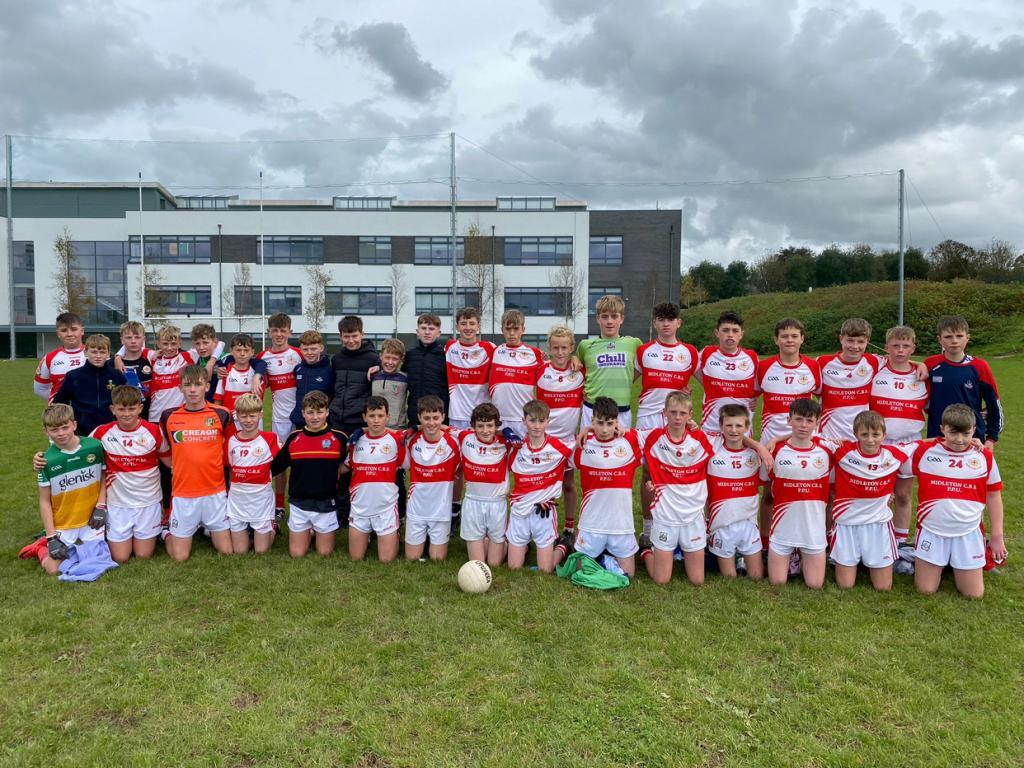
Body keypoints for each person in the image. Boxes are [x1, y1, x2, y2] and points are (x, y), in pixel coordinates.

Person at [907, 404, 1006, 598]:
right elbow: (886, 451)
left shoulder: (983, 456)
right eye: (953, 433)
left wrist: (997, 537)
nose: (959, 440)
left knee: (973, 594)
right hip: (931, 530)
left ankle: (957, 563)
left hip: (968, 532)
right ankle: (933, 560)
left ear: (974, 430)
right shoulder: (924, 451)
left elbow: (994, 496)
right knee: (925, 590)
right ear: (942, 429)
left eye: (966, 434)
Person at [636, 302, 698, 540]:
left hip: (676, 418)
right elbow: (625, 379)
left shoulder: (690, 352)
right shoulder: (644, 352)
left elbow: (710, 382)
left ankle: (677, 524)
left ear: (678, 323)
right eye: (661, 319)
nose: (665, 324)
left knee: (677, 470)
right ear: (655, 323)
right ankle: (648, 528)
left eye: (670, 319)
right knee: (648, 473)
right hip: (648, 418)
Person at [755, 318, 821, 545]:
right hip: (771, 442)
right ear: (776, 339)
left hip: (803, 440)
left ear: (802, 338)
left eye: (794, 336)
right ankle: (765, 543)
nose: (789, 340)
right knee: (769, 494)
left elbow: (825, 396)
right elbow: (749, 398)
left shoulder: (813, 367)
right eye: (784, 336)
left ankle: (806, 541)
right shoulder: (763, 367)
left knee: (804, 493)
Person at [158, 365, 232, 561]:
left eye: (198, 385)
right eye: (187, 385)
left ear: (207, 387)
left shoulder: (222, 414)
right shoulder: (168, 416)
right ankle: (166, 532)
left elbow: (231, 446)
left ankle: (207, 528)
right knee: (179, 557)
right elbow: (163, 449)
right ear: (180, 387)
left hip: (215, 491)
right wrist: (174, 466)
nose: (192, 390)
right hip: (183, 492)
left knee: (226, 551)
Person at [829, 410, 907, 591]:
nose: (870, 440)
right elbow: (807, 438)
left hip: (878, 525)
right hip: (847, 524)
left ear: (884, 435)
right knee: (845, 586)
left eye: (876, 434)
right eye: (864, 434)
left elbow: (923, 443)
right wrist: (769, 443)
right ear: (855, 434)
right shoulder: (842, 451)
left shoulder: (893, 454)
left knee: (883, 587)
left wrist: (971, 441)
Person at [763, 398, 833, 589]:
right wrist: (774, 440)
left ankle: (800, 557)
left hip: (813, 531)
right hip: (783, 529)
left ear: (817, 423)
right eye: (799, 419)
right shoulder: (774, 450)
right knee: (777, 582)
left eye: (809, 421)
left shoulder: (827, 449)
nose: (803, 425)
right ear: (789, 420)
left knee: (815, 585)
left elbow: (862, 449)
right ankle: (791, 556)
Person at [88, 386, 163, 563]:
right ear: (113, 410)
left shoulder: (153, 431)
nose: (127, 414)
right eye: (121, 409)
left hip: (148, 502)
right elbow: (77, 448)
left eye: (131, 409)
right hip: (118, 504)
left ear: (140, 408)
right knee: (120, 557)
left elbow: (170, 461)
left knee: (143, 555)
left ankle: (165, 530)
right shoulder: (101, 433)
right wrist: (45, 458)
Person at [870, 325, 929, 548]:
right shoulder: (876, 371)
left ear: (913, 347)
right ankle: (877, 539)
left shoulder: (922, 375)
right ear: (887, 347)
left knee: (903, 495)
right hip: (878, 443)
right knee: (877, 493)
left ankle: (901, 542)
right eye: (895, 346)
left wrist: (924, 364)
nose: (900, 350)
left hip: (909, 443)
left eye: (906, 346)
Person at [272, 391, 347, 558]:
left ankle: (316, 530)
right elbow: (275, 467)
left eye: (319, 412)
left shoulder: (339, 438)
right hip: (299, 503)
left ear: (327, 412)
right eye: (310, 412)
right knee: (297, 554)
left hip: (326, 503)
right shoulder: (294, 438)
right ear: (303, 413)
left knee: (324, 553)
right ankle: (309, 530)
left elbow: (348, 464)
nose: (315, 417)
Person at [574, 397, 642, 578]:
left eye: (610, 423)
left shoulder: (630, 441)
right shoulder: (583, 443)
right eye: (599, 423)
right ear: (592, 421)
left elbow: (662, 433)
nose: (604, 429)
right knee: (581, 570)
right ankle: (603, 559)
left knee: (629, 575)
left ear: (617, 423)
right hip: (591, 524)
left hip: (621, 525)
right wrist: (586, 430)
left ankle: (604, 560)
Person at [35, 404, 107, 576]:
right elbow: (44, 500)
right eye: (54, 430)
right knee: (53, 569)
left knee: (97, 561)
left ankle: (79, 545)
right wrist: (52, 538)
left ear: (74, 425)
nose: (61, 433)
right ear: (46, 431)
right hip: (63, 522)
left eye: (65, 427)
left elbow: (104, 477)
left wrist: (101, 505)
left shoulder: (95, 447)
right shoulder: (46, 460)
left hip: (91, 519)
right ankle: (39, 547)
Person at [506, 400, 571, 573]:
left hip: (544, 512)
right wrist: (504, 430)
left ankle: (563, 546)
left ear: (548, 422)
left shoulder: (559, 448)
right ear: (524, 420)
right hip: (520, 511)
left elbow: (584, 445)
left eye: (541, 421)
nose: (536, 426)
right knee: (513, 567)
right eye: (532, 420)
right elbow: (485, 434)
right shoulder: (516, 449)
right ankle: (524, 545)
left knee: (546, 569)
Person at [707, 404, 767, 580]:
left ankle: (741, 556)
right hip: (722, 526)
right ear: (720, 426)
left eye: (739, 426)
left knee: (757, 576)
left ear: (747, 427)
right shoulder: (712, 448)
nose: (733, 430)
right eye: (729, 425)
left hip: (749, 525)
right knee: (730, 577)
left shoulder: (755, 455)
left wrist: (760, 447)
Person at [329, 316, 380, 522]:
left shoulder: (373, 359)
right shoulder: (337, 359)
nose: (351, 340)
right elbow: (333, 388)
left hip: (357, 423)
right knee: (337, 468)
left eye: (355, 336)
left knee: (357, 468)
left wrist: (381, 370)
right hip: (336, 421)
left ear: (362, 334)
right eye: (346, 336)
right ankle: (339, 510)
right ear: (340, 337)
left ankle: (357, 510)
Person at [925, 315, 1002, 449]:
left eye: (959, 336)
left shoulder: (980, 366)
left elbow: (994, 404)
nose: (954, 341)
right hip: (938, 437)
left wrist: (991, 438)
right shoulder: (930, 364)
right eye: (948, 337)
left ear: (967, 337)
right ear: (939, 340)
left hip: (972, 438)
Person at [536, 324, 583, 538]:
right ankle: (542, 526)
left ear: (571, 347)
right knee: (544, 484)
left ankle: (569, 527)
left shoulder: (580, 371)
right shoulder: (541, 370)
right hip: (545, 440)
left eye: (565, 348)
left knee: (568, 483)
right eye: (556, 348)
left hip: (568, 440)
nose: (560, 352)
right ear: (549, 348)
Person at [346, 396, 405, 563]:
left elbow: (421, 430)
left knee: (386, 560)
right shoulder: (355, 441)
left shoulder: (397, 440)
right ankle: (368, 534)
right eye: (372, 416)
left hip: (385, 509)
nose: (376, 420)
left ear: (388, 417)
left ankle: (394, 532)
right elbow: (344, 466)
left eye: (381, 415)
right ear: (365, 417)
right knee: (356, 557)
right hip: (360, 509)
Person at [404, 396, 460, 562]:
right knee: (412, 558)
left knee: (437, 559)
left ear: (443, 417)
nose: (431, 423)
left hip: (440, 512)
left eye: (435, 418)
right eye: (426, 418)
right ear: (419, 417)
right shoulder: (411, 440)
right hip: (416, 510)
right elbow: (384, 432)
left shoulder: (453, 442)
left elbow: (480, 433)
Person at [256, 313, 302, 516]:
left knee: (302, 461)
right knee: (280, 463)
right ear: (269, 332)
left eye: (283, 330)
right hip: (278, 419)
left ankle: (300, 501)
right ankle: (280, 505)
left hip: (302, 417)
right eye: (275, 330)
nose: (279, 334)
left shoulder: (299, 354)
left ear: (290, 332)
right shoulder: (263, 358)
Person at [573, 294, 642, 430]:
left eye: (614, 316)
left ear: (621, 319)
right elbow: (575, 362)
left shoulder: (634, 343)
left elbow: (646, 366)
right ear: (598, 319)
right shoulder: (585, 345)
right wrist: (573, 358)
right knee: (588, 449)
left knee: (620, 450)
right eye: (604, 316)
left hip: (621, 410)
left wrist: (628, 378)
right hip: (592, 409)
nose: (609, 321)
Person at [456, 403, 512, 567]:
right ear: (473, 426)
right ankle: (483, 540)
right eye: (480, 426)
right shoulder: (464, 437)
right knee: (477, 563)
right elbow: (440, 428)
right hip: (473, 502)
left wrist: (507, 431)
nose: (485, 430)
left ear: (496, 426)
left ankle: (511, 544)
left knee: (494, 564)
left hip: (497, 504)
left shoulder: (505, 442)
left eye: (490, 425)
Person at [225, 393, 280, 554]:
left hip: (260, 499)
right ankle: (250, 531)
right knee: (240, 551)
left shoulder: (270, 439)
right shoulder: (231, 441)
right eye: (244, 416)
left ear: (260, 415)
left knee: (261, 551)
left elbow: (285, 461)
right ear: (237, 417)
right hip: (238, 500)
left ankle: (272, 528)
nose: (248, 420)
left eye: (252, 416)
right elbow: (229, 469)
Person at [816, 318, 881, 442]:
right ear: (841, 338)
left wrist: (919, 365)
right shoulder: (822, 362)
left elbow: (899, 361)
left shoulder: (874, 361)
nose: (855, 346)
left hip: (861, 438)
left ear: (868, 341)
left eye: (861, 342)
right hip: (829, 437)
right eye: (850, 340)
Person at [694, 310, 759, 436]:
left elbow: (762, 382)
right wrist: (685, 384)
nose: (730, 334)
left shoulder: (751, 356)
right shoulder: (707, 353)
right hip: (711, 427)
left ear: (741, 334)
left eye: (735, 331)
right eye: (726, 330)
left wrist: (756, 398)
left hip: (741, 429)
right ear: (717, 333)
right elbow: (686, 367)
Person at [52, 333, 127, 436]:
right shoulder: (73, 376)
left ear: (108, 354)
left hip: (111, 430)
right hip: (81, 431)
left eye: (102, 352)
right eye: (94, 352)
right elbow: (59, 403)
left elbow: (125, 402)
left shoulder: (117, 375)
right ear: (85, 352)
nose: (98, 356)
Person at [488, 309, 544, 439]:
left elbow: (555, 368)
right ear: (502, 329)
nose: (512, 333)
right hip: (498, 418)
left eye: (516, 328)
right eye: (508, 329)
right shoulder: (495, 352)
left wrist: (574, 359)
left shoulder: (535, 353)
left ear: (523, 329)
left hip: (524, 419)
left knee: (522, 456)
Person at [445, 307, 495, 430]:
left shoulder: (489, 348)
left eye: (472, 323)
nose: (468, 327)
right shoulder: (450, 347)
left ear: (478, 326)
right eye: (463, 324)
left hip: (482, 415)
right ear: (457, 327)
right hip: (457, 414)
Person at [403, 313, 448, 429]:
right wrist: (378, 366)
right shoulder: (410, 355)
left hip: (437, 418)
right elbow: (392, 367)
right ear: (417, 331)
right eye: (423, 328)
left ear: (438, 333)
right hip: (415, 416)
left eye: (431, 329)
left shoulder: (445, 356)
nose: (427, 332)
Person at [214, 333, 266, 430]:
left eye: (246, 350)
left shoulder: (257, 375)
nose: (242, 354)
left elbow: (259, 402)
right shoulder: (224, 373)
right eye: (238, 350)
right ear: (231, 351)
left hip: (253, 424)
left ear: (252, 352)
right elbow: (218, 401)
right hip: (231, 423)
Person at [34, 312, 86, 403]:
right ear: (58, 333)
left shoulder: (98, 355)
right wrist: (57, 400)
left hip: (89, 413)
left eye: (74, 329)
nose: (69, 334)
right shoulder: (49, 358)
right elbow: (40, 389)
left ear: (82, 331)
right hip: (60, 414)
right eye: (64, 330)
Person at [291, 330, 335, 429]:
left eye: (313, 349)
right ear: (300, 350)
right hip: (300, 422)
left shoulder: (330, 370)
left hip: (320, 423)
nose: (309, 353)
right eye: (305, 349)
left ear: (321, 348)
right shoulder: (298, 369)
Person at [117, 320, 154, 418]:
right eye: (128, 337)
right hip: (125, 416)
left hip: (150, 414)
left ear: (143, 340)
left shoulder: (152, 359)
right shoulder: (114, 363)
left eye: (137, 337)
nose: (133, 341)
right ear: (122, 340)